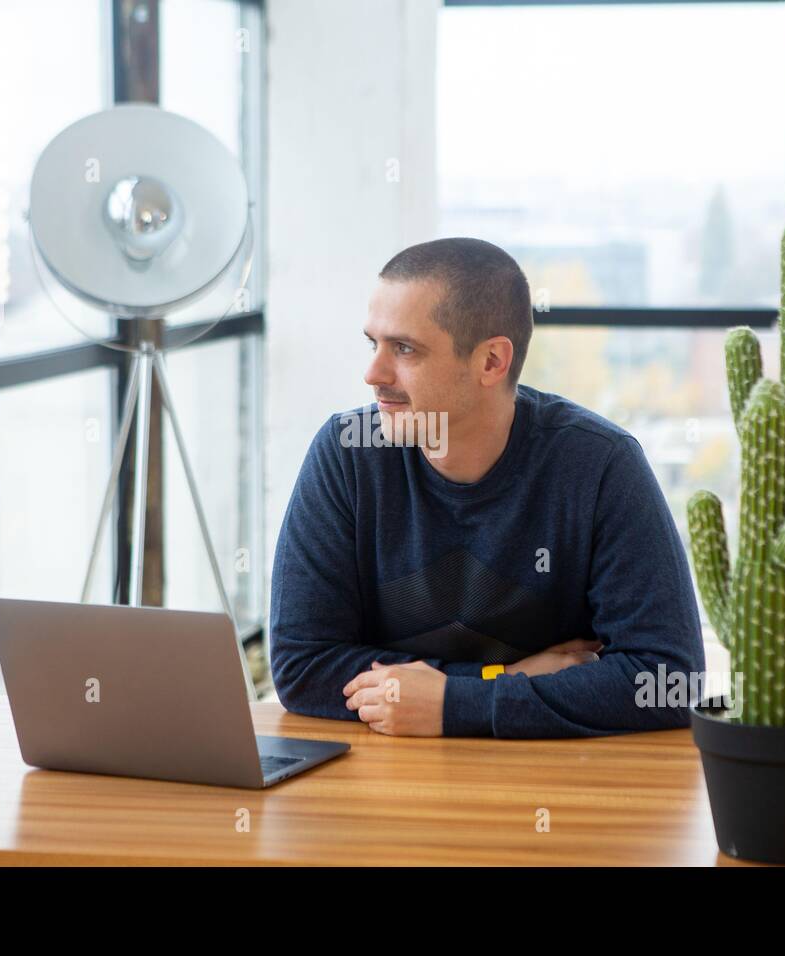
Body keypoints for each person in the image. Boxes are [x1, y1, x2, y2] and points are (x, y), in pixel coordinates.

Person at [269, 237, 705, 738]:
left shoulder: (600, 464)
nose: (373, 373)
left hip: (556, 787)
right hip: (389, 784)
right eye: (374, 344)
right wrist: (500, 681)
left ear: (492, 362)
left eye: (405, 349)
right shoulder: (347, 453)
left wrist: (454, 704)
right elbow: (303, 666)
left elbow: (670, 679)